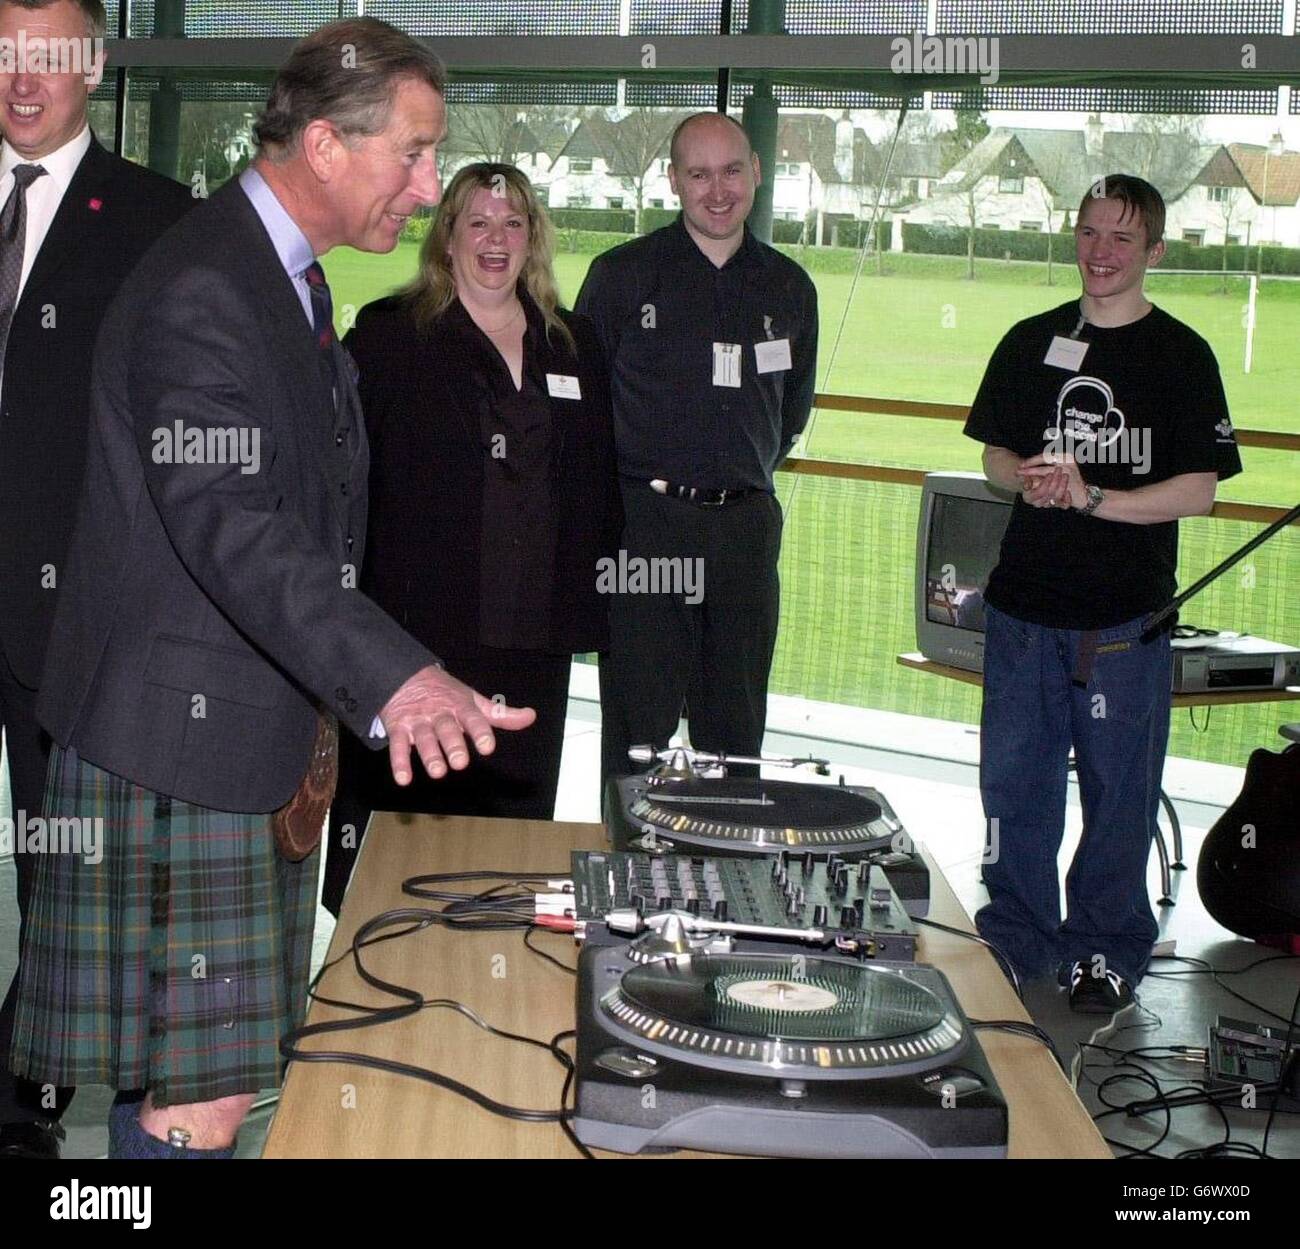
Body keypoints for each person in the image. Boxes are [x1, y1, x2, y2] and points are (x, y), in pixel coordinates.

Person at [10, 18, 535, 1161]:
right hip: (179, 749)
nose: (428, 186)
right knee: (197, 1107)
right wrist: (394, 676)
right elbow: (230, 525)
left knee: (206, 1093)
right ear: (325, 146)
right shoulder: (209, 283)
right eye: (413, 153)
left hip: (223, 742)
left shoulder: (275, 276)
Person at [964, 173, 1241, 1013]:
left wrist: (1096, 499)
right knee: (1013, 789)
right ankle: (1014, 934)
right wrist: (1032, 479)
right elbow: (994, 457)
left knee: (1119, 793)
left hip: (1124, 622)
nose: (1101, 253)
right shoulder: (1029, 339)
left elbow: (1201, 489)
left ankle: (1105, 948)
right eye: (1088, 233)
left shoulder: (1182, 355)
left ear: (1154, 250)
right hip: (1022, 612)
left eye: (1121, 239)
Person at [322, 163, 621, 917]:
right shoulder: (393, 336)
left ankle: (493, 985)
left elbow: (595, 477)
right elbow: (344, 476)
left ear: (533, 239)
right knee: (408, 846)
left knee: (510, 844)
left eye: (514, 223)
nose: (497, 239)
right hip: (422, 638)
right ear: (447, 237)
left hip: (533, 639)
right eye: (479, 223)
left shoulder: (574, 341)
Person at [0, 0, 193, 1160]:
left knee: (55, 862)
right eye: (4, 55)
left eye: (50, 57)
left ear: (95, 68)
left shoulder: (157, 224)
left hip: (64, 614)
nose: (24, 79)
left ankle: (29, 1088)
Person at [576, 111, 817, 797]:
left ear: (758, 174)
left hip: (744, 531)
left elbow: (790, 413)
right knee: (639, 727)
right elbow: (585, 410)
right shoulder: (622, 276)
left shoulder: (791, 287)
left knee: (735, 732)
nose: (719, 190)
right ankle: (627, 885)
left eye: (733, 171)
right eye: (701, 173)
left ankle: (724, 881)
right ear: (674, 179)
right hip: (645, 529)